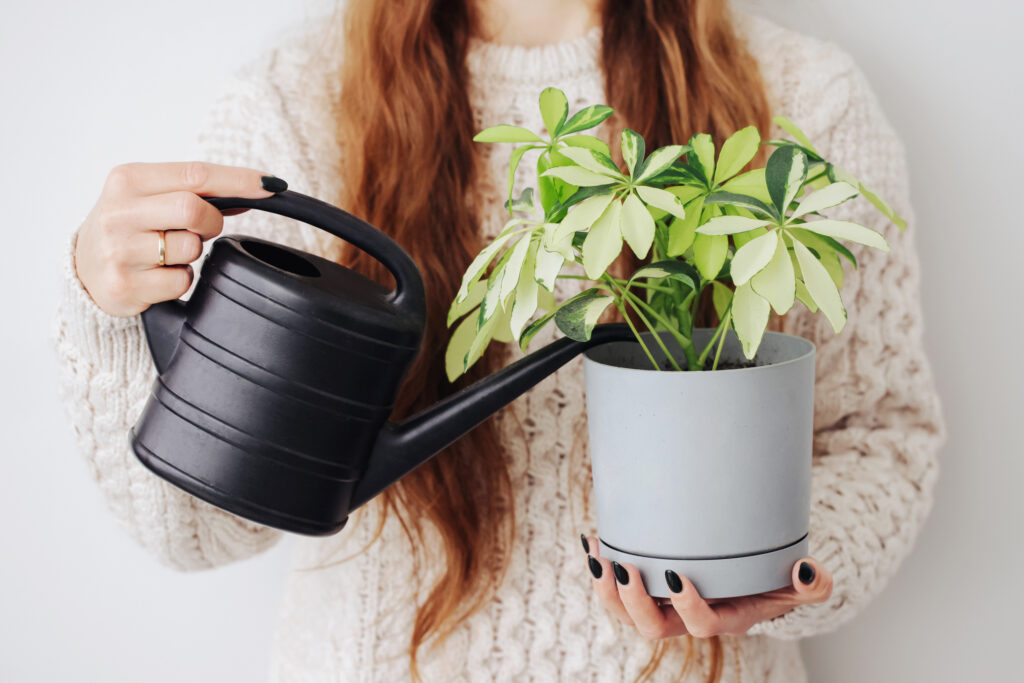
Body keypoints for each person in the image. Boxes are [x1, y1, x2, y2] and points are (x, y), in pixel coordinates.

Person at [52, 0, 948, 680]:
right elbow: (201, 530)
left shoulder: (804, 98)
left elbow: (881, 436)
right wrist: (112, 309)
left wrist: (778, 567)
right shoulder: (296, 104)